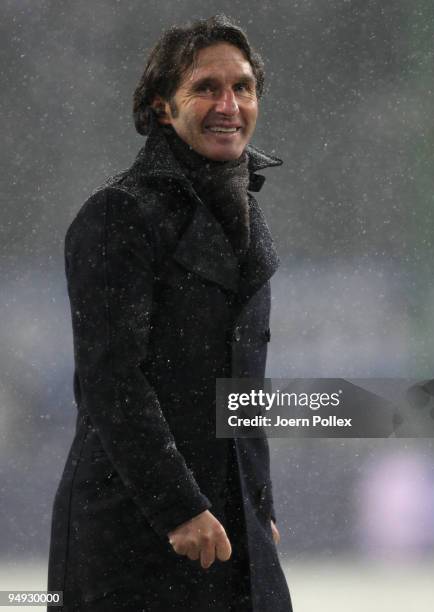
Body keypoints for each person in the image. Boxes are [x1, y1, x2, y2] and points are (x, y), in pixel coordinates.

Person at [47, 14, 293, 612]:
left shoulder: (245, 215)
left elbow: (242, 384)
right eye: (206, 87)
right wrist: (178, 505)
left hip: (229, 523)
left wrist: (259, 504)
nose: (228, 104)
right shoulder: (119, 214)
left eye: (242, 87)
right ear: (162, 108)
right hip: (137, 530)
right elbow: (111, 382)